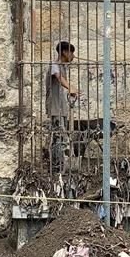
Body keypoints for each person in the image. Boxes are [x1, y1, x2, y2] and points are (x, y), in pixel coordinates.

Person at [46, 41, 79, 170]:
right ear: (65, 52)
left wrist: (71, 91)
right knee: (58, 135)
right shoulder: (55, 64)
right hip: (55, 107)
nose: (73, 56)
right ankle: (56, 165)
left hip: (60, 107)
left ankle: (59, 163)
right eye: (72, 53)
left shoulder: (62, 66)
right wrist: (71, 88)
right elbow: (58, 77)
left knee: (61, 134)